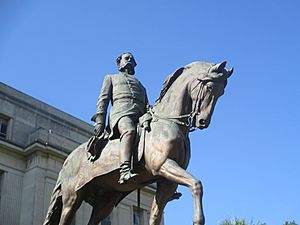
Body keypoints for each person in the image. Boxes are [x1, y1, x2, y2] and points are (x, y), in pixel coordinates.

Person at [91, 52, 149, 184]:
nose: (129, 60)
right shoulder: (110, 78)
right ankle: (124, 170)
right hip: (121, 113)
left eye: (132, 59)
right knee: (129, 131)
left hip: (140, 116)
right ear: (119, 63)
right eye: (126, 58)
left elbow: (146, 105)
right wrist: (100, 121)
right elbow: (103, 100)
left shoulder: (141, 86)